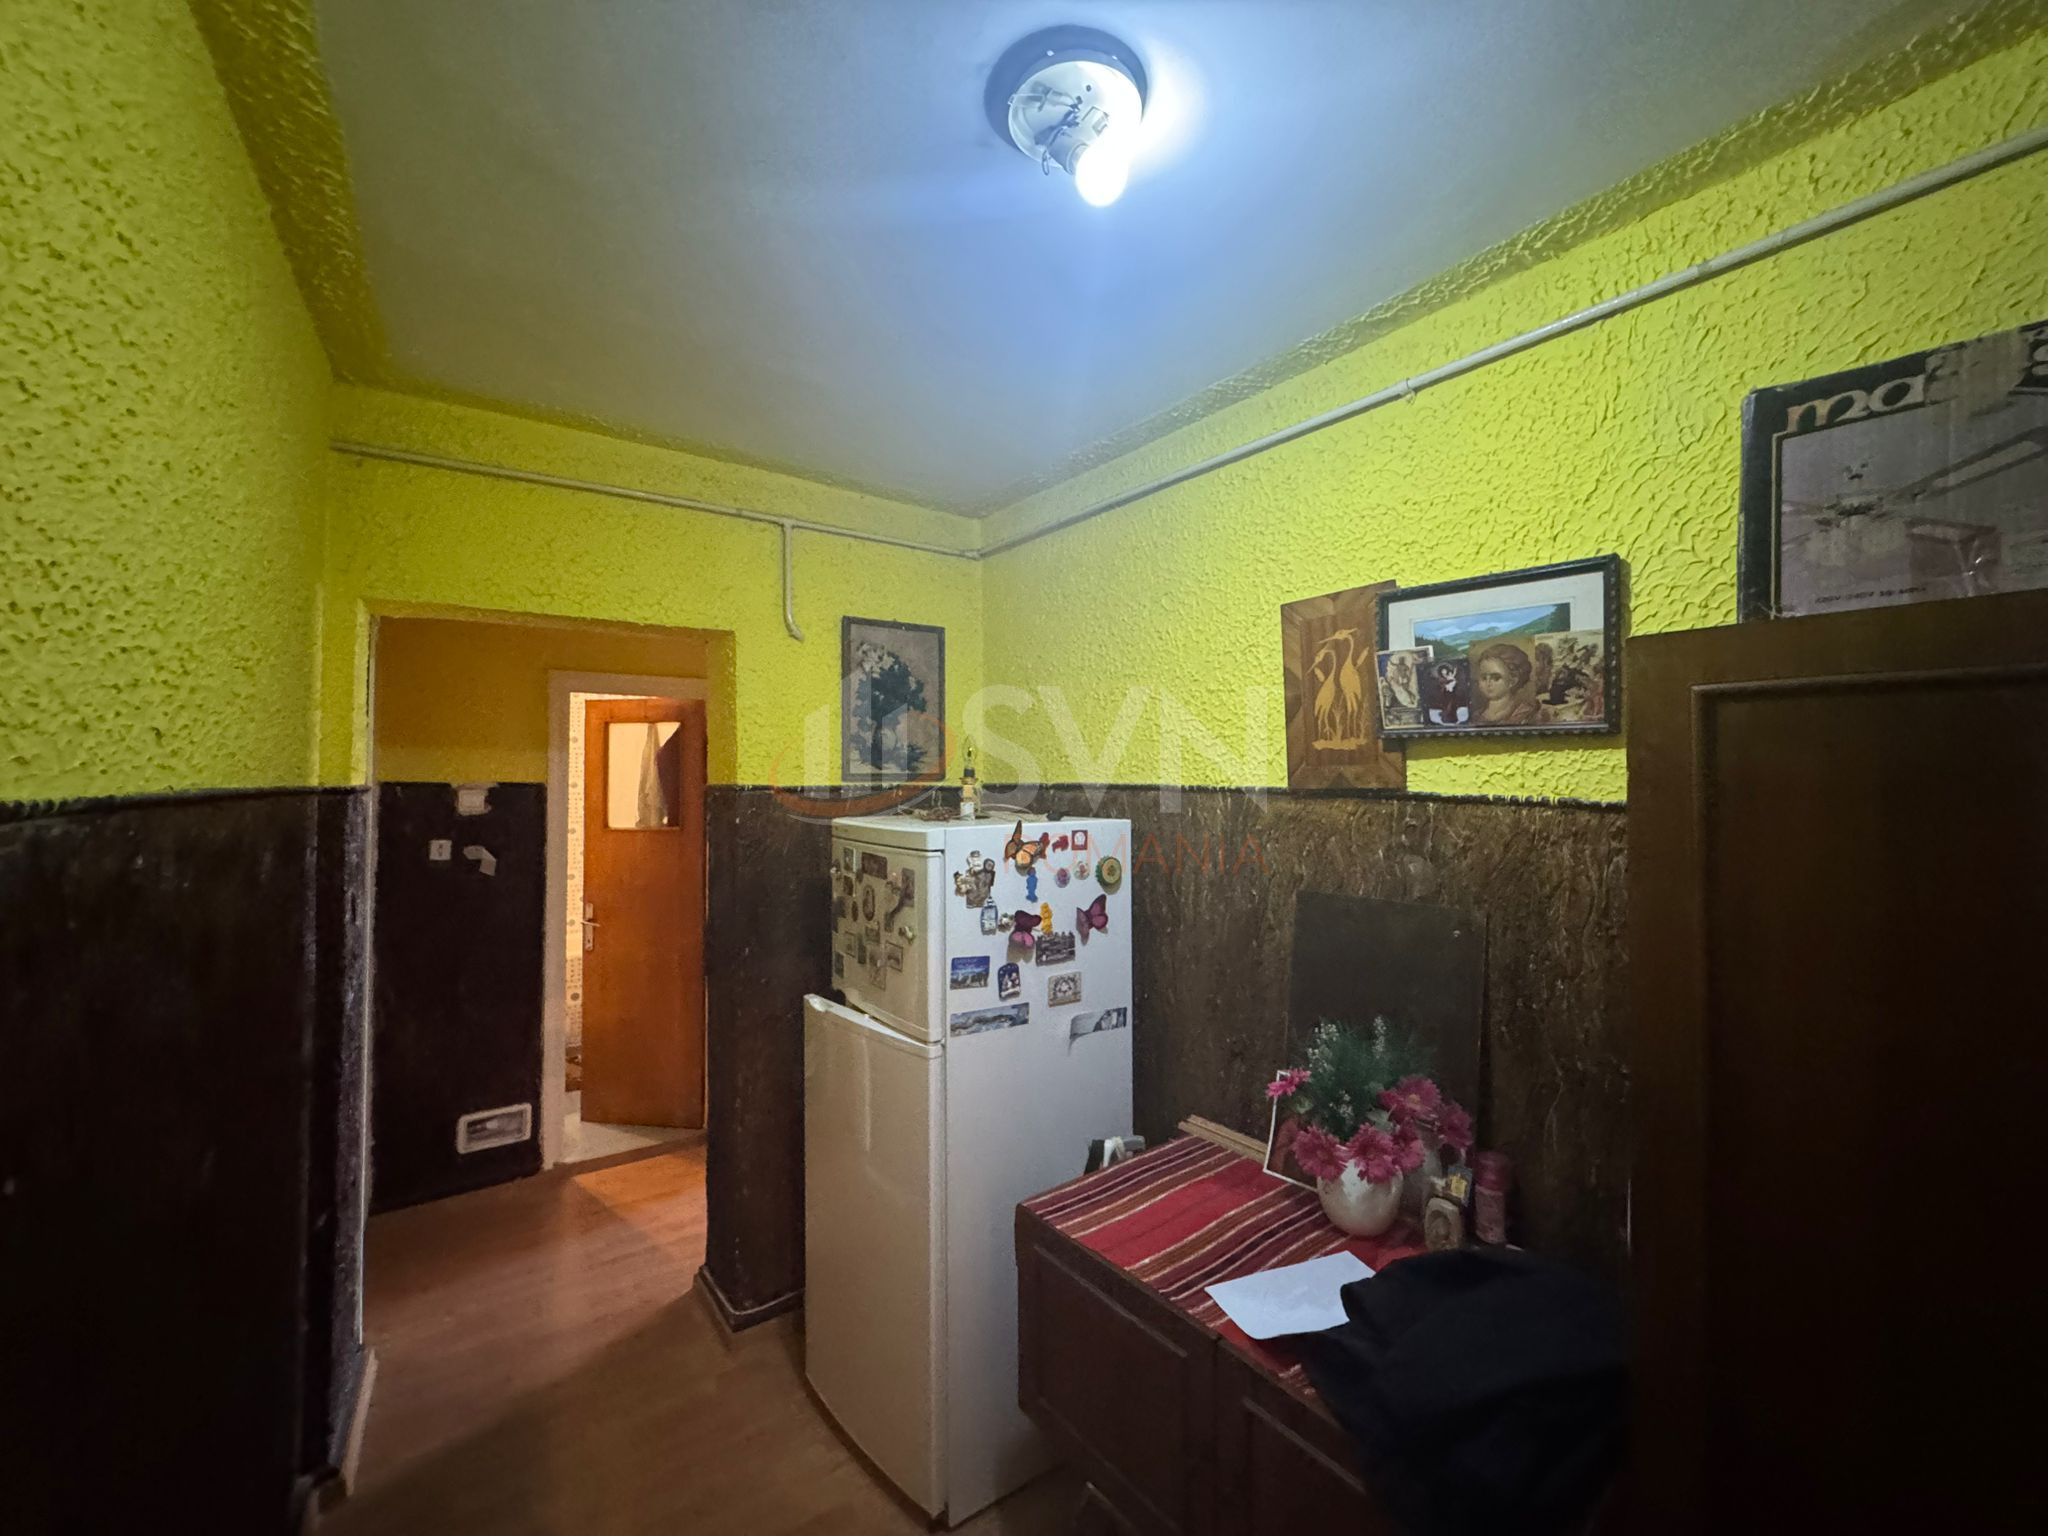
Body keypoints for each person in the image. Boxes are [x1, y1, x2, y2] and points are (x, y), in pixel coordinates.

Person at [1471, 643, 1539, 725]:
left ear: (1513, 681)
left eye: (1496, 678)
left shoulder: (1525, 714)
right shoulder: (1476, 715)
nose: (1488, 683)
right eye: (1484, 678)